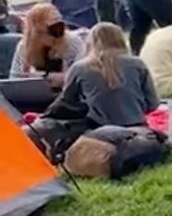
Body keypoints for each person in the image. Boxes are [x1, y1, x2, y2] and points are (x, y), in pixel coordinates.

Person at [26, 22, 160, 156]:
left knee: (39, 129)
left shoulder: (80, 68)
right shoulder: (138, 64)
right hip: (137, 128)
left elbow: (66, 104)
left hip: (97, 132)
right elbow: (153, 104)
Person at [10, 4, 86, 88]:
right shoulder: (24, 47)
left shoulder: (73, 43)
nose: (57, 35)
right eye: (52, 30)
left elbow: (84, 77)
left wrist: (65, 79)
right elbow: (14, 81)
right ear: (37, 31)